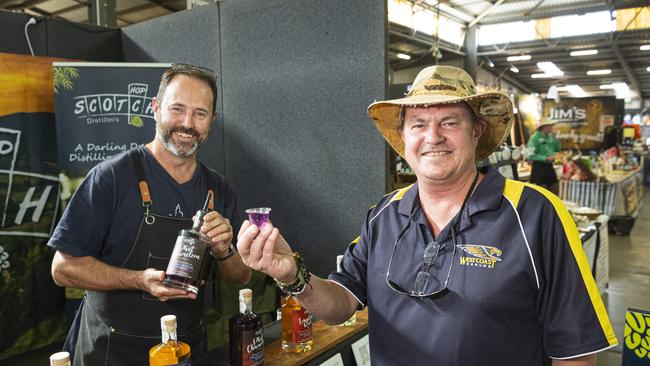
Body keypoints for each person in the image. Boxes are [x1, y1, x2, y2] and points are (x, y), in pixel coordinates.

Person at [236, 66, 618, 365]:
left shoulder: (535, 214)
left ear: (476, 131)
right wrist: (291, 274)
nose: (432, 136)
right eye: (419, 124)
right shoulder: (383, 215)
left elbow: (575, 351)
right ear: (404, 138)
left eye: (449, 122)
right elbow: (340, 305)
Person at [49, 63, 252, 365]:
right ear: (155, 108)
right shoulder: (111, 177)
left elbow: (242, 275)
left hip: (187, 349)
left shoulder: (218, 189)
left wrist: (224, 251)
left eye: (200, 113)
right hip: (113, 351)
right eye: (177, 109)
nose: (187, 123)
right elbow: (62, 269)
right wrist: (138, 280)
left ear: (212, 120)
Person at [528, 118, 562, 194]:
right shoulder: (534, 138)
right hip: (539, 168)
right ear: (544, 127)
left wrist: (556, 139)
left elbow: (558, 149)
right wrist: (545, 158)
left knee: (554, 190)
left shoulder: (550, 137)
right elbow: (529, 155)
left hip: (549, 167)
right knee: (541, 194)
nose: (551, 128)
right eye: (549, 126)